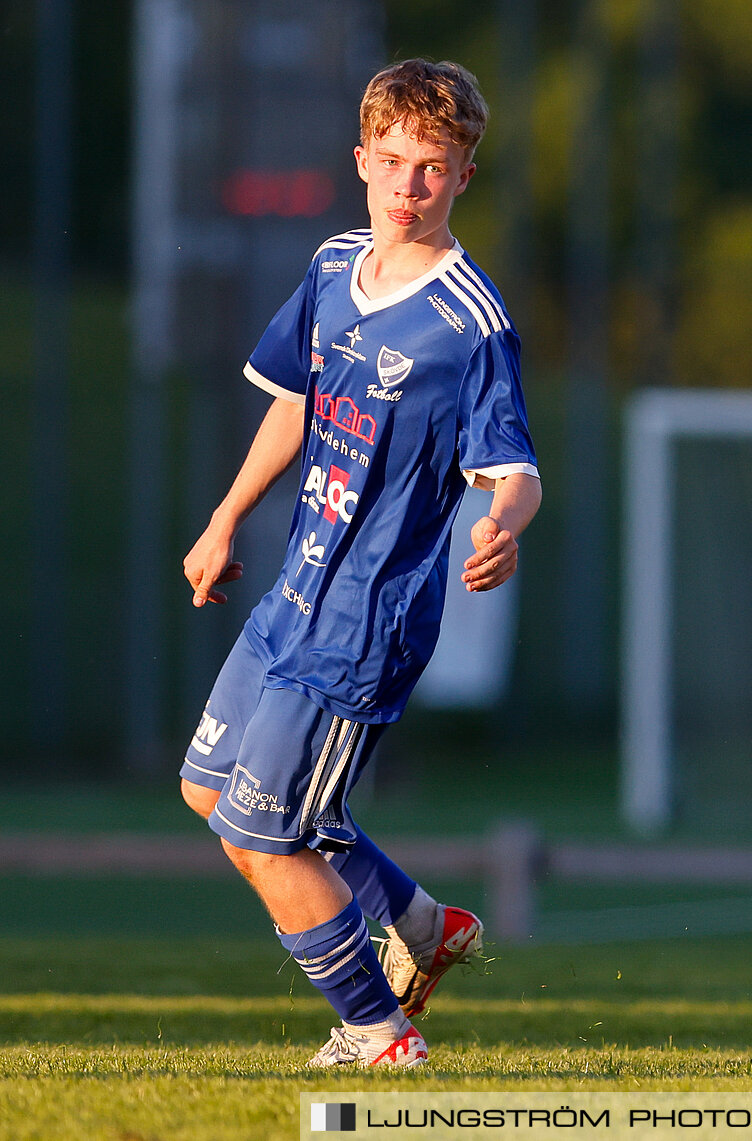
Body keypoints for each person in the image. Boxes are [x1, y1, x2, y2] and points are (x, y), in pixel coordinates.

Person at [176, 59, 540, 1069]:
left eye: (432, 166)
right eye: (391, 162)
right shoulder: (334, 265)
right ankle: (422, 925)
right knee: (212, 795)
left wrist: (502, 521)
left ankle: (379, 1033)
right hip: (290, 592)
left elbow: (516, 468)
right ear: (360, 162)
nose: (407, 186)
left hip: (360, 623)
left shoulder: (471, 322)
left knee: (268, 837)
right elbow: (293, 402)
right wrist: (223, 520)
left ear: (465, 174)